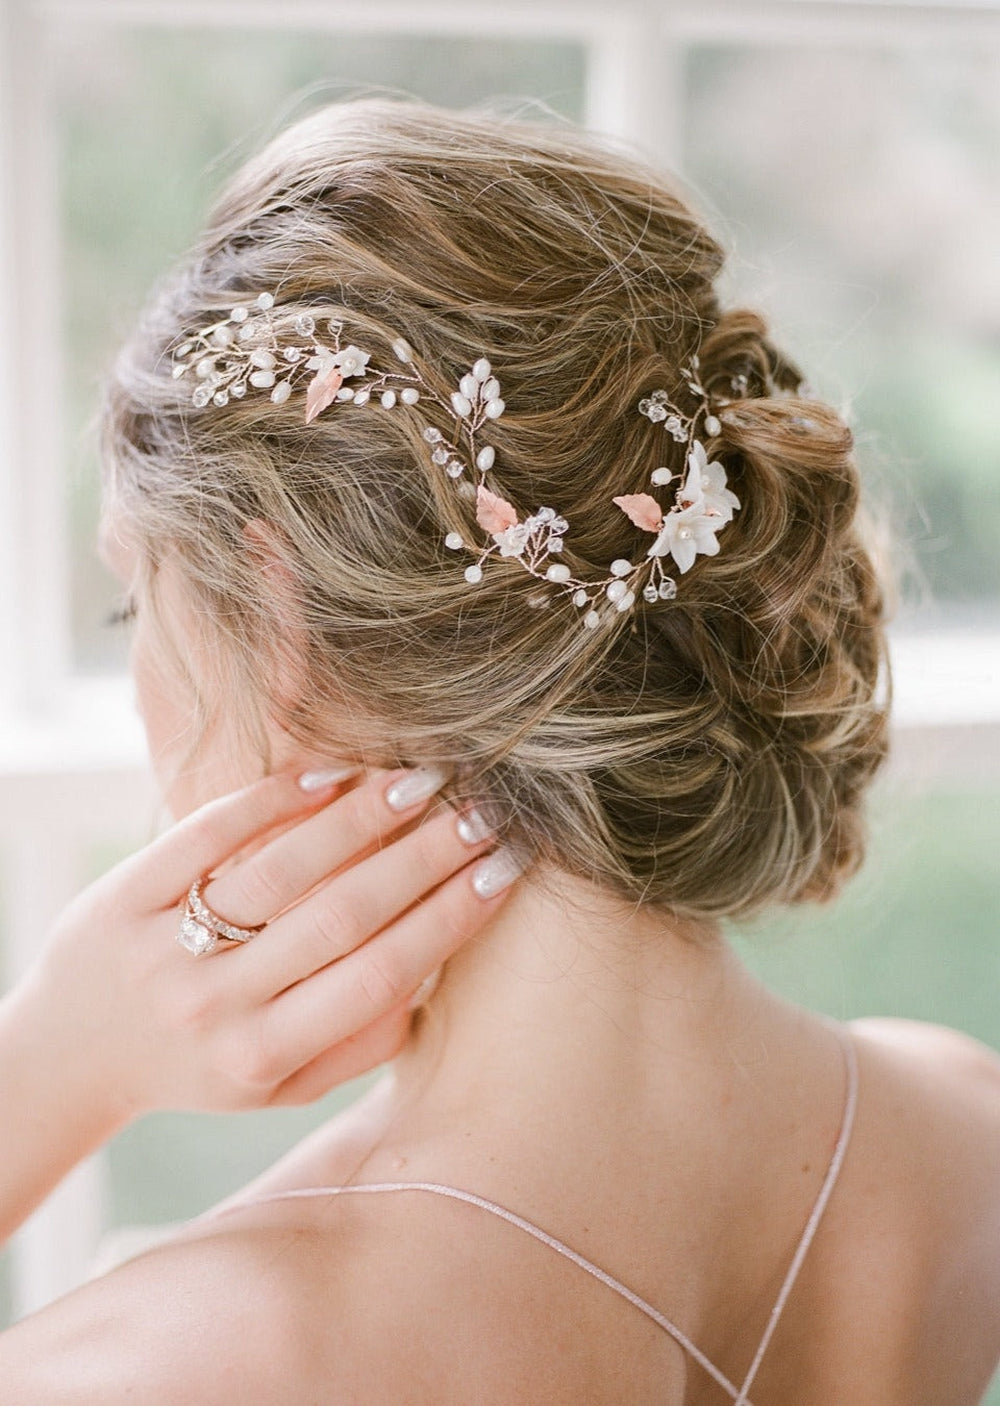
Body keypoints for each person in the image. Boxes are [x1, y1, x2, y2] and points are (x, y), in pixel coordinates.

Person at [0, 97, 997, 1404]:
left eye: (140, 601)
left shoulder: (194, 1358)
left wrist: (41, 1072)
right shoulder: (957, 1128)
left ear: (281, 613)